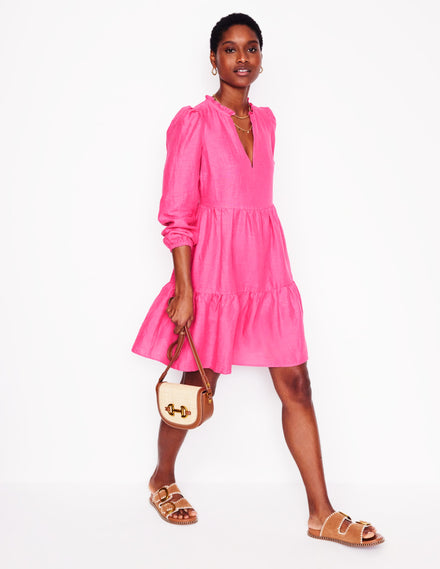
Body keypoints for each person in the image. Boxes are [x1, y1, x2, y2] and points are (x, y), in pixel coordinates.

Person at [132, 13, 384, 546]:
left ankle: (321, 513)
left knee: (297, 384)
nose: (241, 58)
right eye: (229, 49)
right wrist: (185, 289)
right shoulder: (194, 123)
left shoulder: (267, 121)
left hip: (267, 269)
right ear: (213, 59)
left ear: (262, 59)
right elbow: (177, 213)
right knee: (197, 385)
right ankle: (162, 478)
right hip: (214, 273)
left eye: (251, 48)